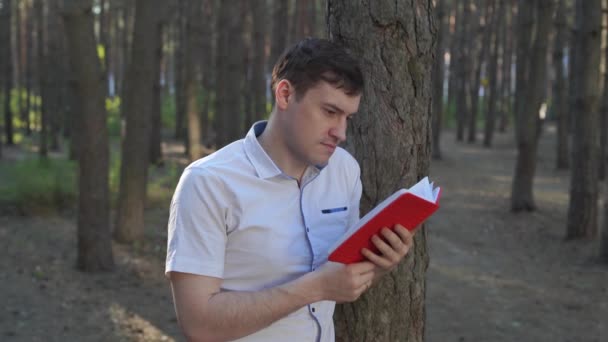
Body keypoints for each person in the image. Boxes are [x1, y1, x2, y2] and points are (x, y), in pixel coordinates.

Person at [165, 38, 415, 342]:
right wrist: (315, 288)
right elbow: (198, 324)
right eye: (329, 111)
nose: (341, 132)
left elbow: (342, 278)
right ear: (285, 94)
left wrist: (379, 266)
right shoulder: (208, 183)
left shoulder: (345, 171)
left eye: (347, 117)